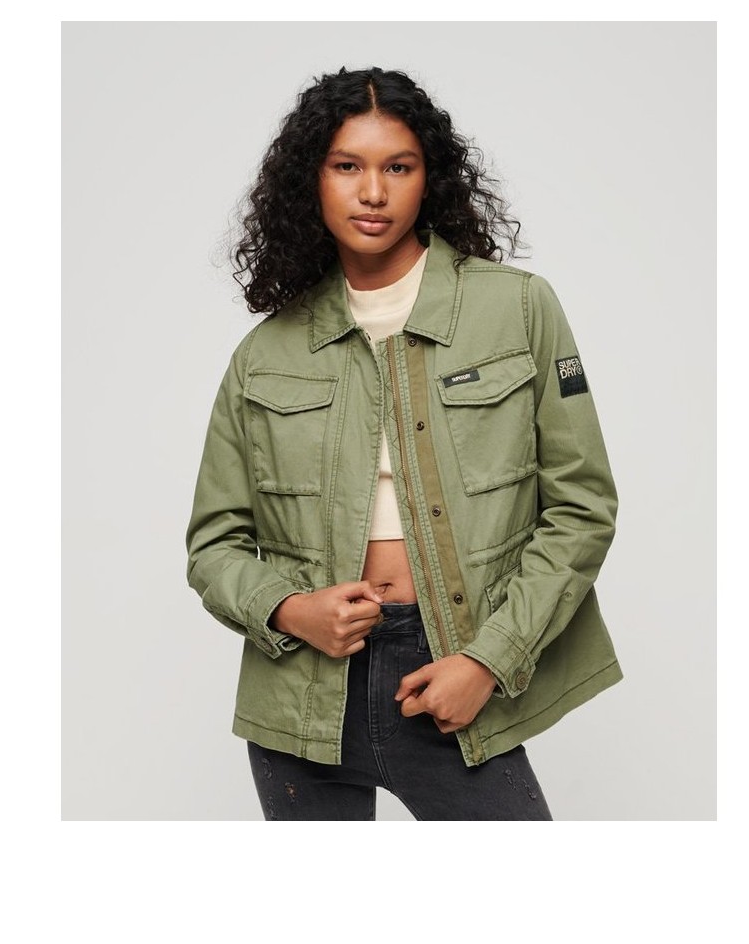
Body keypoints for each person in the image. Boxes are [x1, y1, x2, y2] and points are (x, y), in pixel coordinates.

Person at [185, 67, 622, 820]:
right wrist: (290, 609)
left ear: (431, 179)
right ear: (310, 180)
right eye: (346, 166)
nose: (373, 193)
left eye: (398, 167)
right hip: (302, 697)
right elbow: (213, 545)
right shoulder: (265, 354)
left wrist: (489, 659)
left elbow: (582, 509)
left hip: (451, 670)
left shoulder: (518, 309)